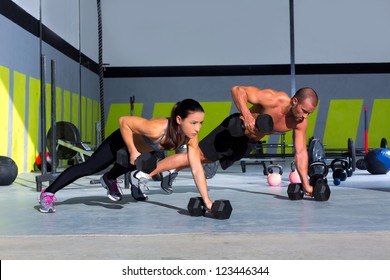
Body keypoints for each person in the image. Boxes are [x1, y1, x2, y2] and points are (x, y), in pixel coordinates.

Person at [135, 86, 319, 197]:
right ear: (294, 101)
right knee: (195, 156)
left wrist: (306, 184)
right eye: (304, 110)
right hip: (235, 130)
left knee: (203, 159)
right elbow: (237, 90)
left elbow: (301, 152)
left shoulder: (300, 122)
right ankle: (144, 175)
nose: (305, 116)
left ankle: (171, 171)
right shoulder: (273, 99)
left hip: (248, 143)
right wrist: (247, 115)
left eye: (309, 113)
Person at [38, 99, 213, 213]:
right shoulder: (156, 127)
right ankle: (48, 193)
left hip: (140, 150)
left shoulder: (191, 137)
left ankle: (109, 178)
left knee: (146, 164)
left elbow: (196, 168)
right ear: (179, 120)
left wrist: (207, 200)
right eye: (193, 122)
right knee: (90, 167)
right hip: (121, 140)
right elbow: (124, 121)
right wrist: (132, 150)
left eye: (200, 123)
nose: (197, 128)